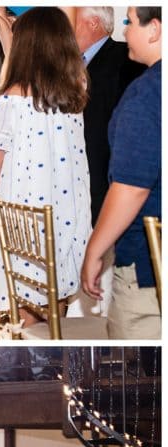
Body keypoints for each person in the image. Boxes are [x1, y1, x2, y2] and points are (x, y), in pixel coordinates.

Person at [0, 7, 90, 329]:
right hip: (68, 219)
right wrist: (0, 24)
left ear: (25, 45)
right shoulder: (75, 94)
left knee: (28, 319)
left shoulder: (6, 102)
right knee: (55, 311)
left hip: (22, 224)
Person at [81, 6, 161, 340]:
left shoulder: (146, 94)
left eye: (129, 22)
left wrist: (94, 250)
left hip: (147, 264)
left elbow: (132, 187)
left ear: (154, 29)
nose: (124, 30)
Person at [75, 6, 144, 225]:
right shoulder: (67, 68)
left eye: (71, 21)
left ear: (93, 23)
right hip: (75, 192)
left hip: (109, 193)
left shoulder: (128, 59)